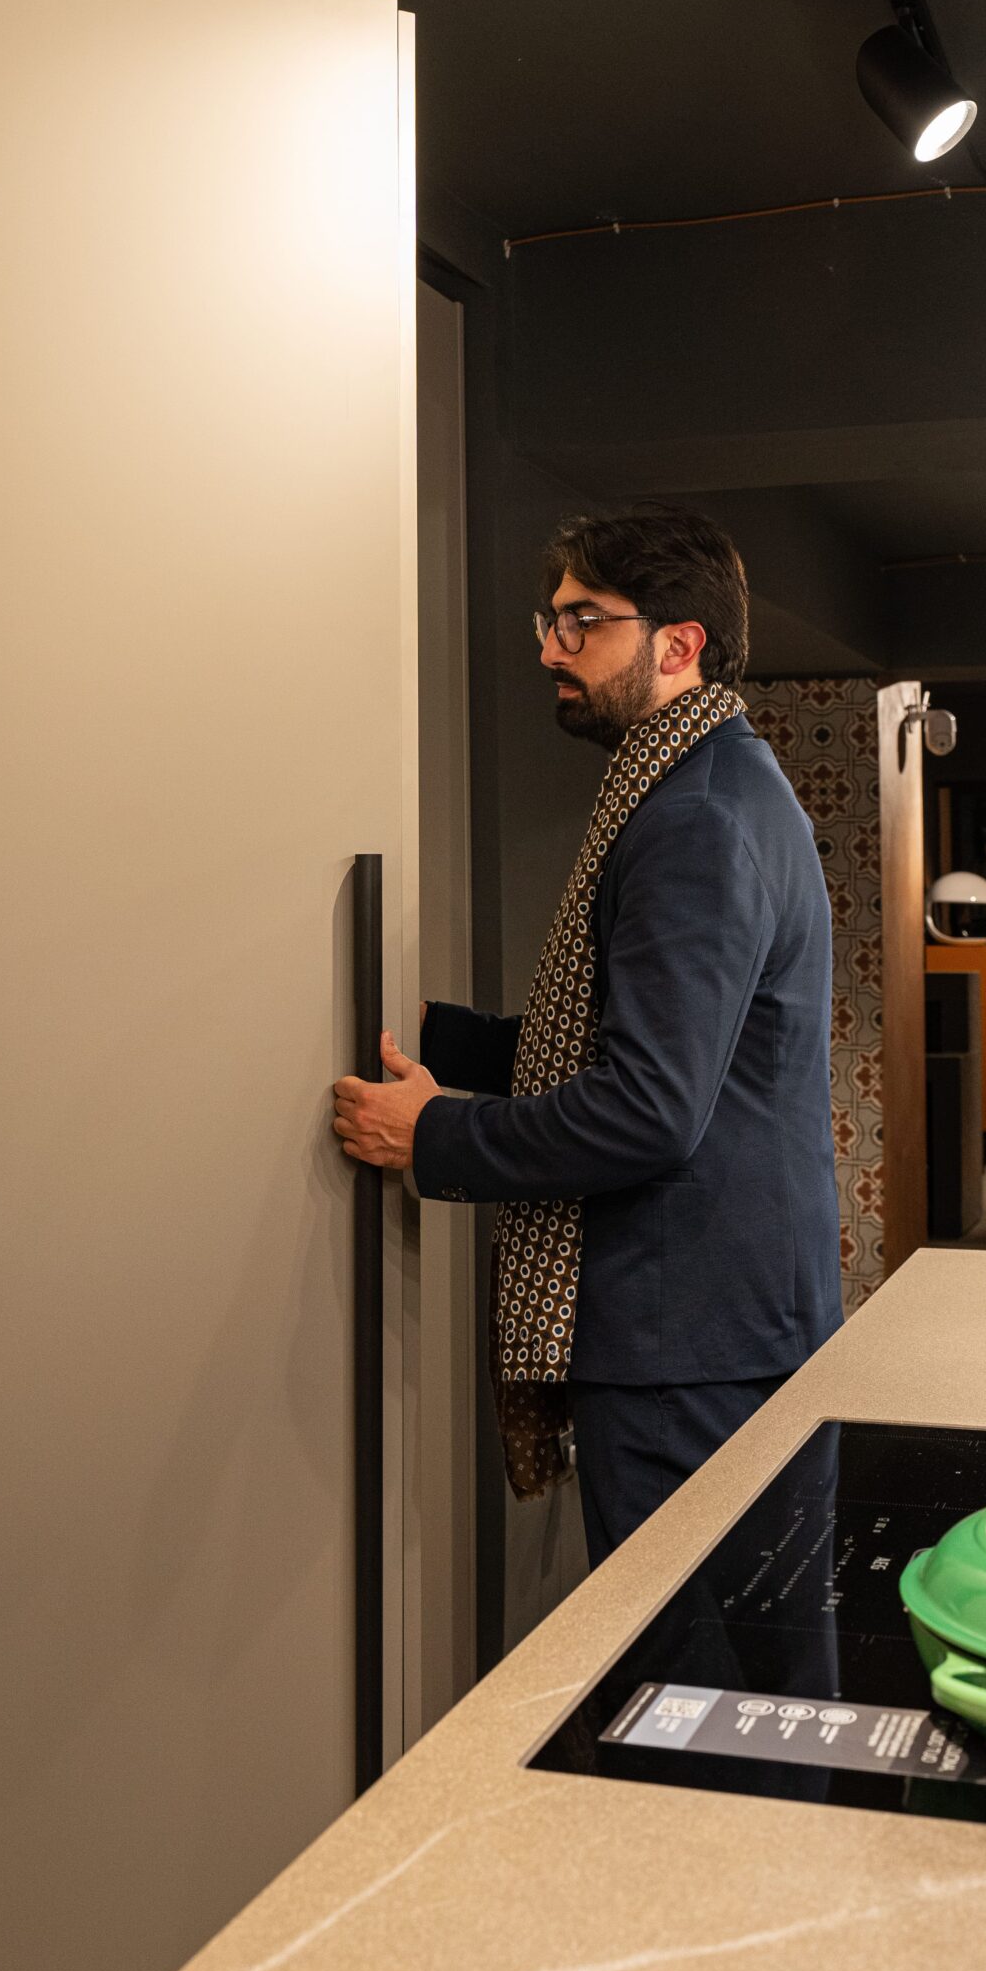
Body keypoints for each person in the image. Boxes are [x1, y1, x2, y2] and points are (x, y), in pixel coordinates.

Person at [332, 504, 841, 1566]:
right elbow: (636, 1048)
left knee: (683, 1653)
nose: (550, 649)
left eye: (583, 622)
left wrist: (431, 1134)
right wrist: (444, 1040)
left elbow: (647, 1110)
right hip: (718, 1328)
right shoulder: (713, 784)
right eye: (549, 621)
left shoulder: (695, 817)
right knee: (730, 1643)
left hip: (684, 1340)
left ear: (678, 643)